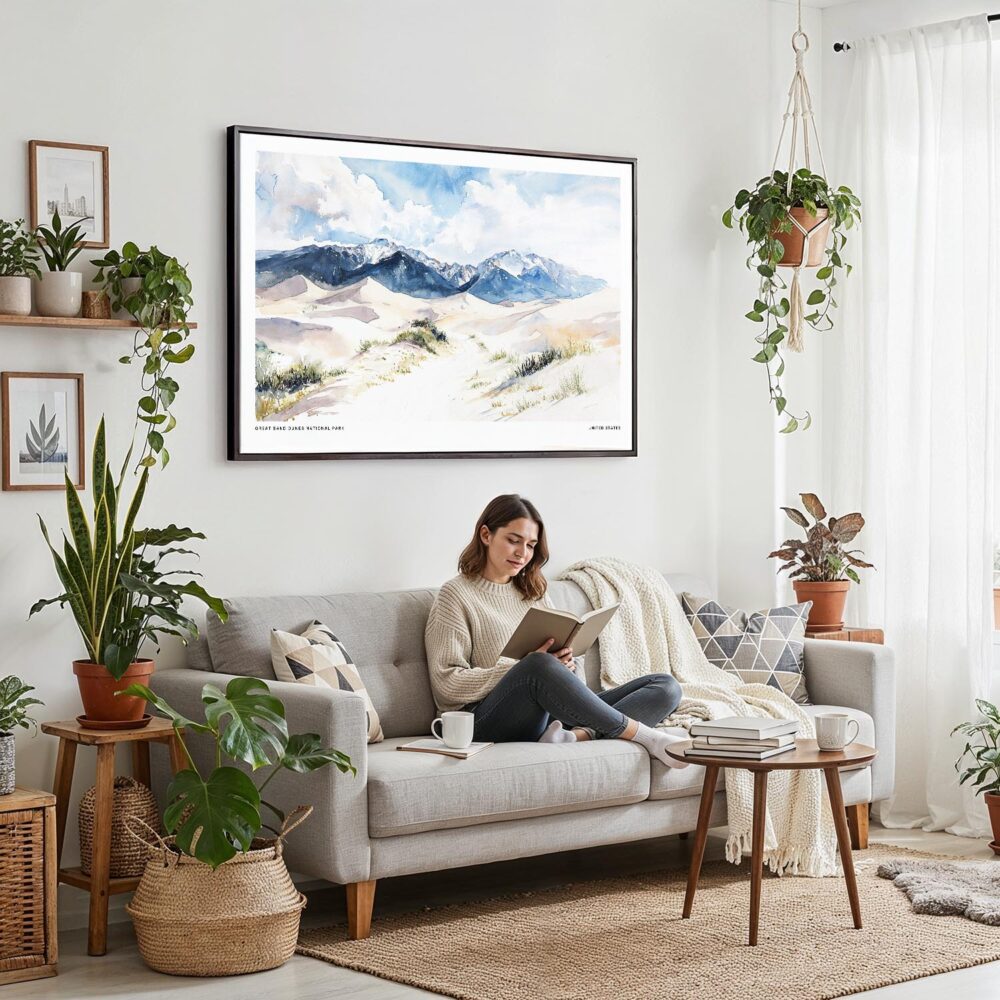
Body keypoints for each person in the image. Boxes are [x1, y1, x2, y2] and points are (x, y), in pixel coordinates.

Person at [424, 494, 689, 768]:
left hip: (546, 714)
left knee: (665, 686)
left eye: (530, 545)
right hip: (482, 723)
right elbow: (447, 684)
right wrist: (521, 667)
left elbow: (563, 675)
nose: (522, 553)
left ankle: (578, 736)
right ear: (486, 535)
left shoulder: (532, 593)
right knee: (538, 664)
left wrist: (567, 666)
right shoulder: (455, 595)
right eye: (513, 540)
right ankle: (648, 738)